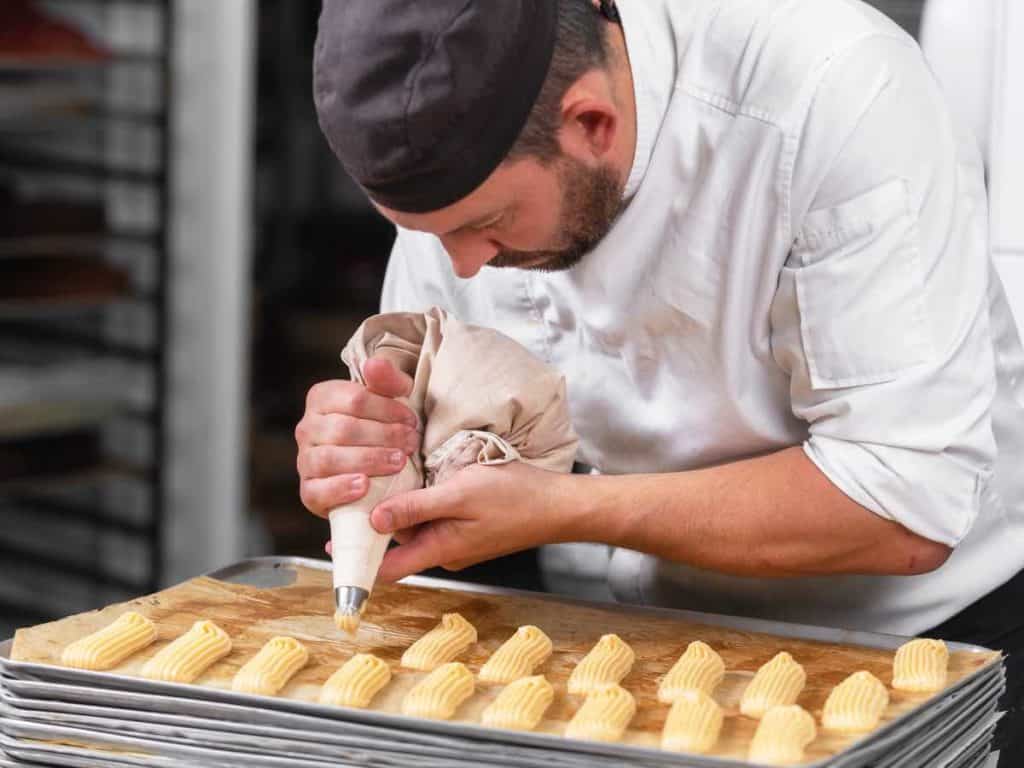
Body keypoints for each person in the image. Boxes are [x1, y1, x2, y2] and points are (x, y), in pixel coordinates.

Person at [298, 0, 1024, 760]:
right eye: (428, 234)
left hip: (936, 643)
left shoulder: (837, 93)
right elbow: (460, 425)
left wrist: (565, 508)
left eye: (492, 225)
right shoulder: (471, 169)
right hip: (668, 652)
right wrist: (379, 457)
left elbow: (904, 504)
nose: (464, 266)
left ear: (592, 124)